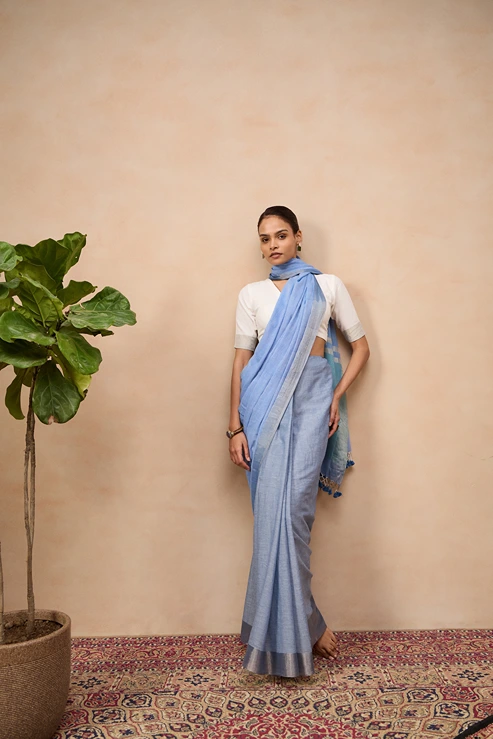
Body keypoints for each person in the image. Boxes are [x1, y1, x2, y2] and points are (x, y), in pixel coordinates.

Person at [228, 205, 370, 677]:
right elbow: (241, 362)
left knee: (295, 516)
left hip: (312, 402)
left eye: (281, 235)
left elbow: (361, 347)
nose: (273, 244)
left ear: (298, 237)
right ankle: (307, 623)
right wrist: (235, 426)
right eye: (265, 238)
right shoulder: (250, 294)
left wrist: (335, 395)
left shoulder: (325, 285)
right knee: (272, 518)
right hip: (261, 407)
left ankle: (300, 622)